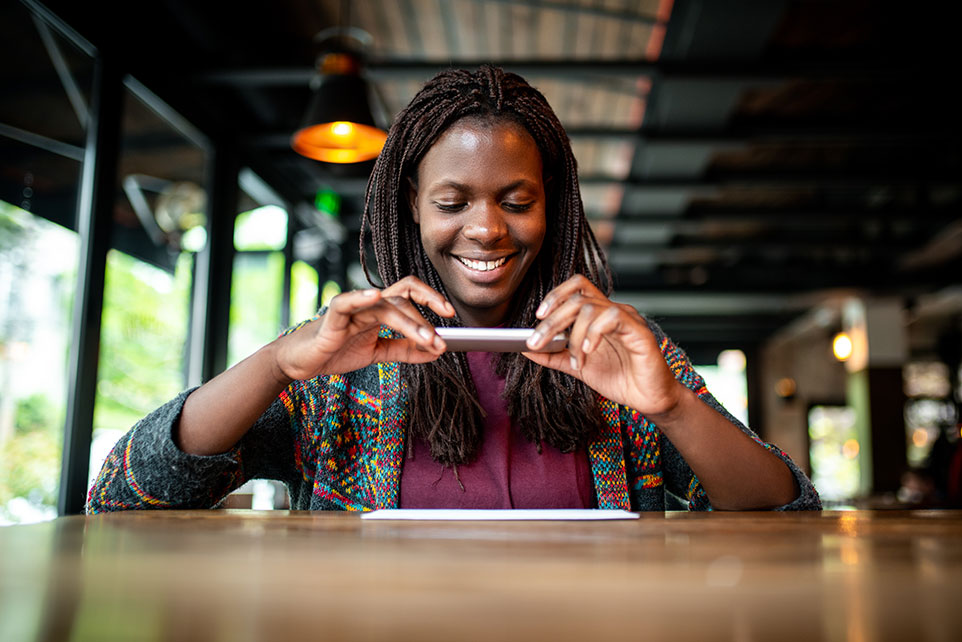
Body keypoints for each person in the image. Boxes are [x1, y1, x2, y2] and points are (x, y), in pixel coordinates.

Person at [87, 66, 819, 513]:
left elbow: (788, 510)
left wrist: (670, 405)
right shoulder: (345, 356)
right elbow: (126, 493)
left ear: (552, 203)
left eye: (517, 200)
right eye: (452, 203)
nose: (487, 230)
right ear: (411, 203)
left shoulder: (614, 349)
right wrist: (279, 363)